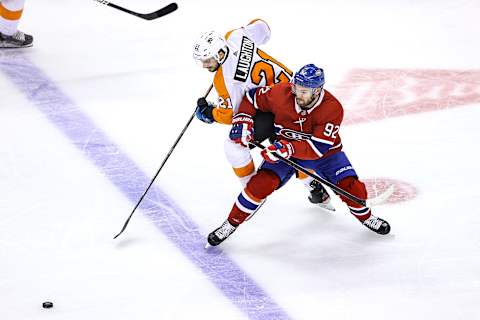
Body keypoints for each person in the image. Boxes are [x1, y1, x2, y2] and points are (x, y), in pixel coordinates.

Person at [207, 64, 391, 246]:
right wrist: (244, 117)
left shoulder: (332, 108)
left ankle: (367, 217)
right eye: (296, 88)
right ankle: (230, 224)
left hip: (325, 155)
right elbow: (251, 98)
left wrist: (287, 148)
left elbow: (317, 148)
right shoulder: (282, 93)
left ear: (317, 91)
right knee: (259, 185)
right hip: (285, 153)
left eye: (304, 91)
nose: (297, 94)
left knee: (353, 190)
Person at [192, 19, 332, 209]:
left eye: (207, 60)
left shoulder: (225, 80)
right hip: (300, 97)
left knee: (234, 146)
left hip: (278, 108)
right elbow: (263, 28)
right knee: (289, 146)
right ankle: (315, 188)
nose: (204, 65)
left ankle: (252, 191)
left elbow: (230, 115)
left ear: (219, 53)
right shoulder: (234, 36)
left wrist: (209, 113)